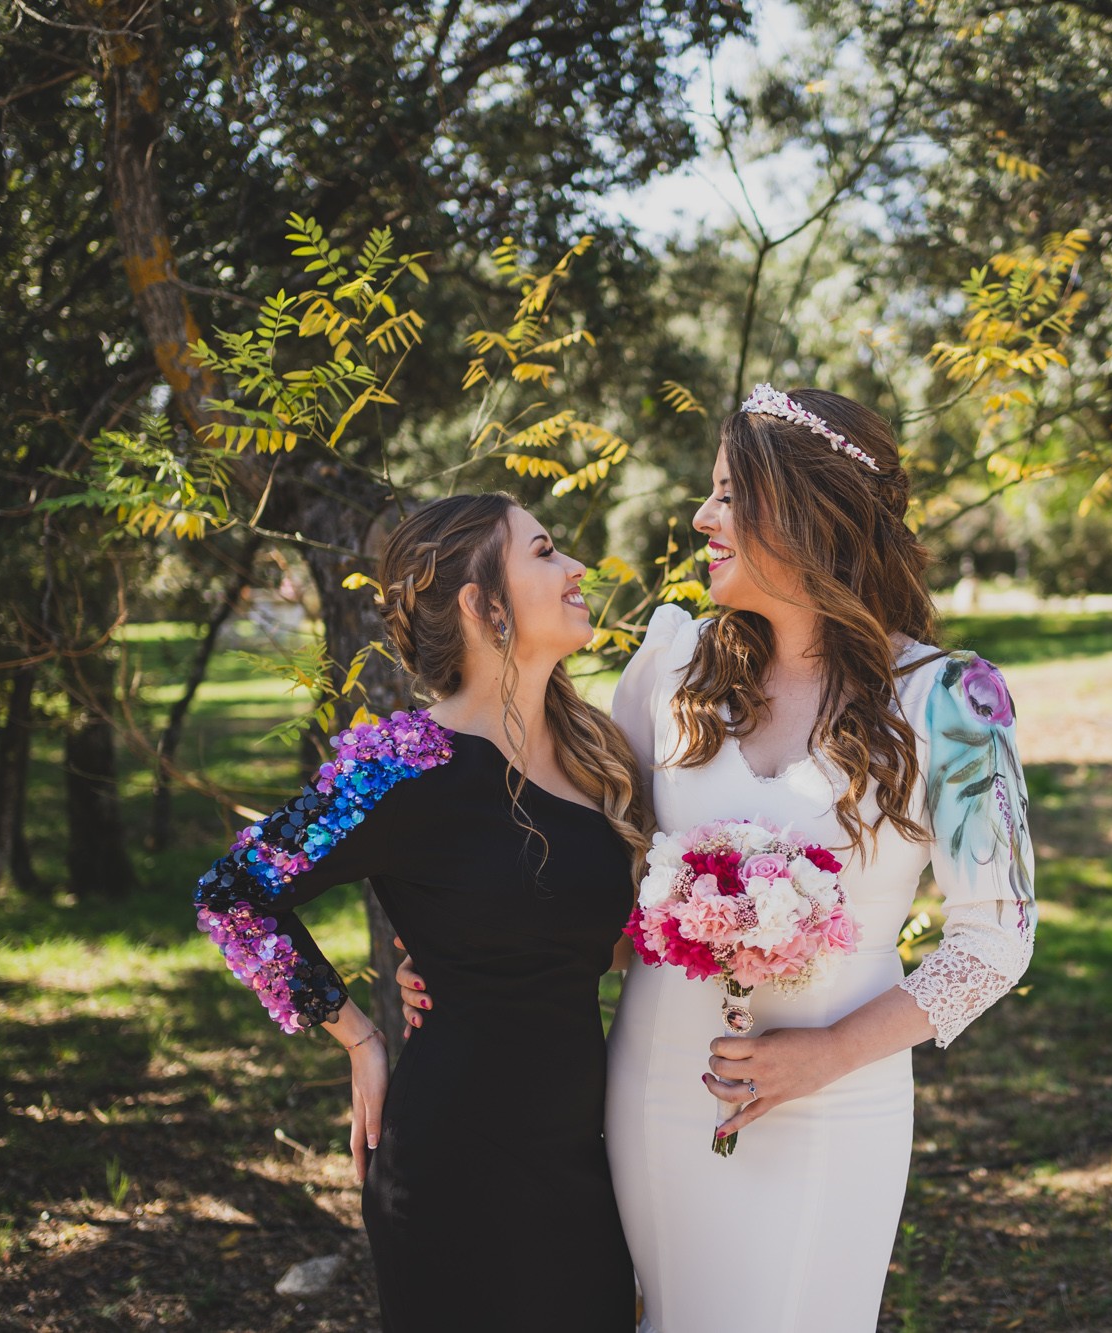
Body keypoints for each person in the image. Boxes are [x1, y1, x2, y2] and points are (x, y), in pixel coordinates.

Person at [398, 387, 1037, 1331]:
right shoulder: (673, 666)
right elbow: (592, 873)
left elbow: (996, 939)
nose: (703, 517)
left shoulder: (951, 700)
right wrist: (473, 951)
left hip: (837, 1102)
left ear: (810, 510)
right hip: (658, 1086)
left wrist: (828, 1054)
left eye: (731, 494)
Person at [192, 493, 646, 1331]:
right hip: (453, 1168)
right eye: (544, 551)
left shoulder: (598, 754)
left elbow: (593, 943)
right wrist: (359, 1036)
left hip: (585, 1163)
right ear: (482, 603)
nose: (576, 567)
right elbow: (232, 892)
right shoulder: (398, 766)